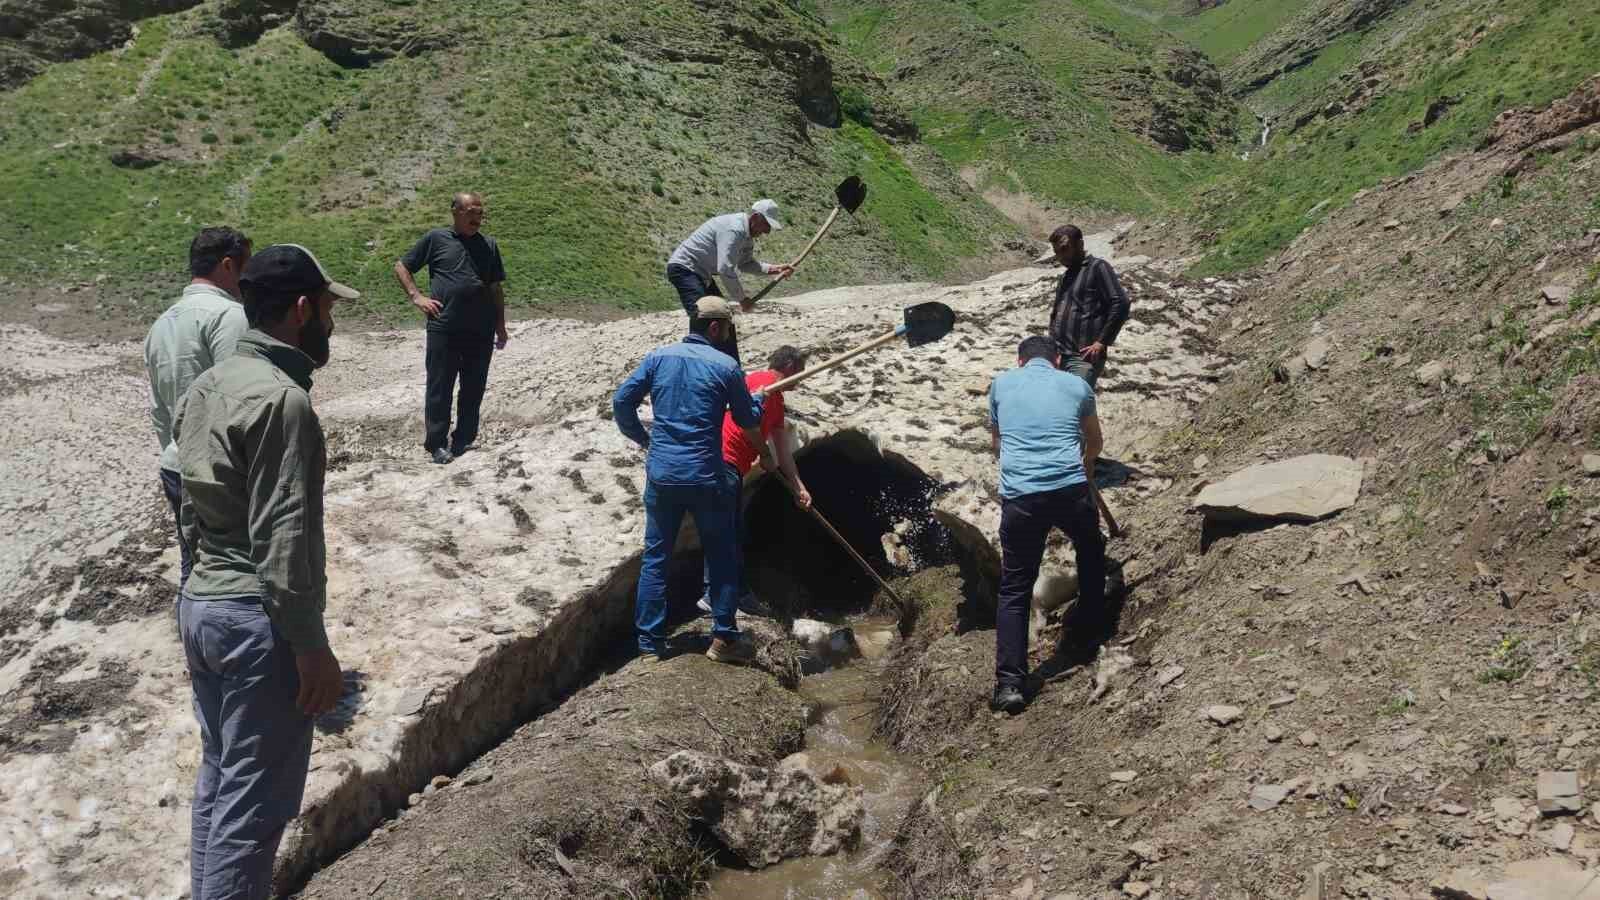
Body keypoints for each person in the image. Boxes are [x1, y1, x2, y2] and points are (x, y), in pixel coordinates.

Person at [171, 244, 355, 900]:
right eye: (329, 310)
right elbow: (283, 544)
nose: (333, 324)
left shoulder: (209, 384)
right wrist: (312, 649)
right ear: (302, 309)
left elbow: (188, 505)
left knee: (219, 787)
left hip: (202, 609)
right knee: (253, 816)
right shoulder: (284, 403)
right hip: (258, 624)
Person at [613, 298, 766, 665]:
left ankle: (650, 645)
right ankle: (724, 639)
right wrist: (756, 400)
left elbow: (621, 402)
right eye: (728, 328)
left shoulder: (658, 358)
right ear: (715, 328)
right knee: (722, 553)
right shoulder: (726, 367)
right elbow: (747, 421)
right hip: (706, 476)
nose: (729, 335)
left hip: (663, 475)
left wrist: (645, 439)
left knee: (656, 557)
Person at [987, 335, 1105, 715]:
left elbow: (997, 444)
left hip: (1021, 498)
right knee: (1090, 547)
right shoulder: (1076, 384)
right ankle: (1089, 630)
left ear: (1019, 361)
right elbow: (1095, 442)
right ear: (1057, 360)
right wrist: (1085, 468)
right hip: (1070, 488)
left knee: (1015, 587)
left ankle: (1010, 685)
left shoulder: (1000, 385)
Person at [144, 227, 252, 593]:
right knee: (233, 574)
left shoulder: (161, 323)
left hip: (175, 463)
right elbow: (236, 399)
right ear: (227, 265)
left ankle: (193, 643)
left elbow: (160, 410)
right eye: (245, 267)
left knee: (192, 564)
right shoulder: (229, 316)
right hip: (218, 469)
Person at [695, 345, 813, 617]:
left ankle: (740, 594)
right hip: (720, 460)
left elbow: (783, 452)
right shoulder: (759, 383)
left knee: (733, 531)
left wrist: (799, 488)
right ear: (791, 368)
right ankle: (714, 595)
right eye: (801, 373)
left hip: (728, 464)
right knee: (724, 531)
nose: (801, 379)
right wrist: (764, 454)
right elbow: (745, 422)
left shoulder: (775, 398)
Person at [394, 192, 509, 465]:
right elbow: (402, 266)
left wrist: (500, 326)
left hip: (480, 331)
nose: (477, 218)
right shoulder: (436, 239)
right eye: (471, 212)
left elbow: (495, 288)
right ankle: (436, 444)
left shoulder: (489, 245)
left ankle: (464, 440)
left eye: (480, 213)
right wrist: (417, 297)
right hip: (444, 328)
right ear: (456, 212)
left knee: (473, 387)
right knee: (440, 387)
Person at [665, 199, 795, 365]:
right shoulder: (734, 229)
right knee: (703, 319)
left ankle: (730, 367)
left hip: (701, 274)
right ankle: (697, 367)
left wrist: (775, 269)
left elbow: (746, 264)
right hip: (685, 269)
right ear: (755, 217)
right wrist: (742, 299)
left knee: (724, 319)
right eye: (766, 225)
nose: (767, 231)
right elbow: (725, 268)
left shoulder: (747, 237)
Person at [1046, 224, 1131, 386]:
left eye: (1064, 249)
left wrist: (1102, 341)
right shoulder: (1066, 276)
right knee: (1064, 402)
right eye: (1057, 252)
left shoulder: (1098, 267)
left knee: (1076, 399)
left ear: (1080, 244)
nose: (1060, 257)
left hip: (1083, 357)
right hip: (1059, 354)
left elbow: (1120, 303)